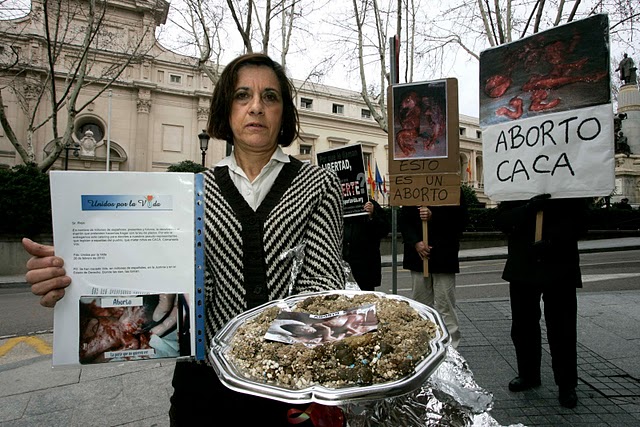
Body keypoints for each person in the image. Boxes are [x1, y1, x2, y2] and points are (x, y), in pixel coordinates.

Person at [22, 53, 346, 426]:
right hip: (205, 388)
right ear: (225, 110)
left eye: (270, 97)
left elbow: (322, 290)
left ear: (284, 113)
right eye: (243, 96)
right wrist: (74, 272)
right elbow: (146, 271)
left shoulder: (319, 185)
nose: (256, 106)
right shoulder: (188, 192)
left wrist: (257, 352)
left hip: (291, 386)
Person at [495, 194, 590, 409]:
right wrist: (529, 207)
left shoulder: (569, 190)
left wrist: (553, 241)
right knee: (523, 325)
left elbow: (582, 223)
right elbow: (502, 221)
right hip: (524, 266)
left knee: (562, 327)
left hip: (560, 266)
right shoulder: (515, 190)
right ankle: (528, 374)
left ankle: (566, 384)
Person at [398, 193, 468, 349]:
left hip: (444, 256)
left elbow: (461, 221)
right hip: (418, 258)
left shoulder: (453, 188)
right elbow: (404, 220)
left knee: (445, 304)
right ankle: (423, 344)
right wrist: (416, 242)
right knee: (420, 304)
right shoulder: (412, 188)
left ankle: (451, 347)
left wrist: (433, 216)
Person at [342, 197, 390, 291]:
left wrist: (372, 215)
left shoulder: (371, 205)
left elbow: (384, 230)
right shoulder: (339, 203)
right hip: (343, 262)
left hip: (365, 265)